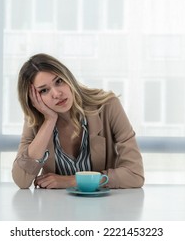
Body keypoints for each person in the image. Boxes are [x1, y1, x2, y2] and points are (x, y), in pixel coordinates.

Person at [12, 53, 144, 189]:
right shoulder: (36, 120)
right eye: (44, 90)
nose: (57, 94)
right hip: (55, 207)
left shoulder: (108, 106)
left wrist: (72, 181)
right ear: (33, 99)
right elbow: (22, 181)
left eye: (59, 81)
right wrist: (49, 121)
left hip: (103, 205)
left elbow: (135, 175)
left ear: (68, 78)